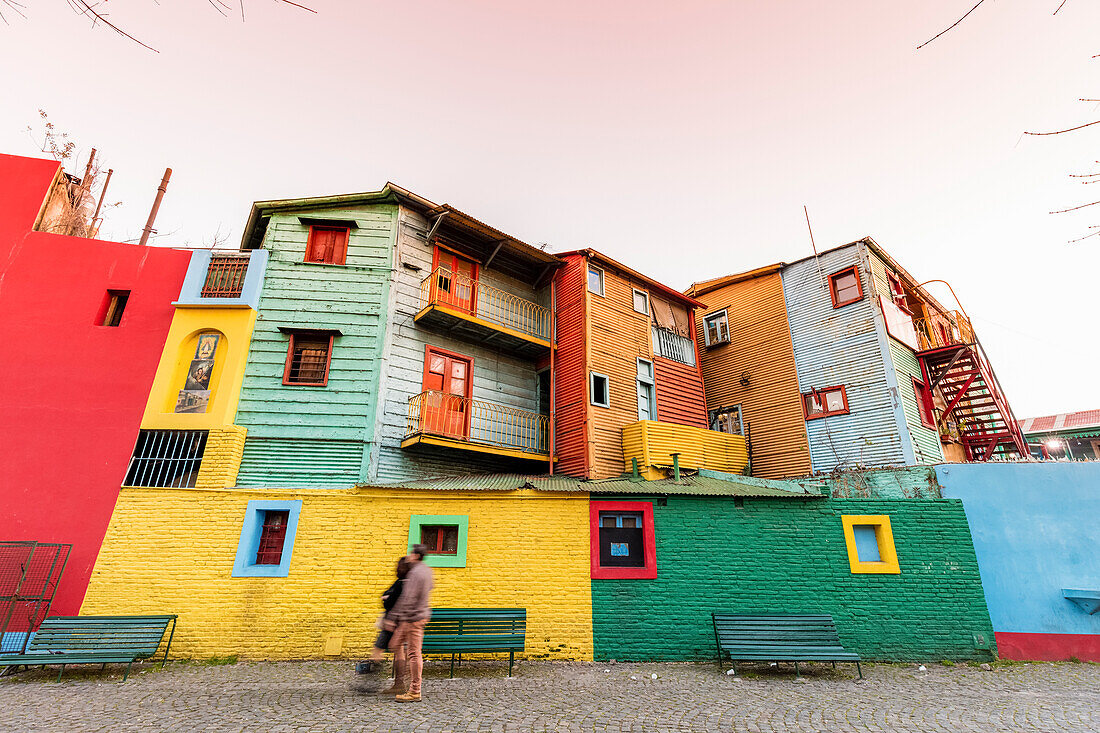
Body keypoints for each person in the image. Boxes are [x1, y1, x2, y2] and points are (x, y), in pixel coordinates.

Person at [383, 543, 434, 702]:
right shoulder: (427, 571)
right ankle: (401, 684)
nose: (410, 556)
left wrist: (393, 618)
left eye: (412, 554)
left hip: (411, 618)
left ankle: (414, 690)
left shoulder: (415, 573)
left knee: (411, 653)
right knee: (397, 646)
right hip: (420, 616)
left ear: (417, 556)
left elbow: (407, 598)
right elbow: (430, 588)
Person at [369, 557, 410, 664]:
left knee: (387, 640)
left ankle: (377, 659)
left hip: (394, 621)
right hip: (406, 621)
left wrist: (386, 598)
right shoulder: (409, 584)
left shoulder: (401, 583)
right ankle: (403, 671)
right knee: (403, 647)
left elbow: (390, 601)